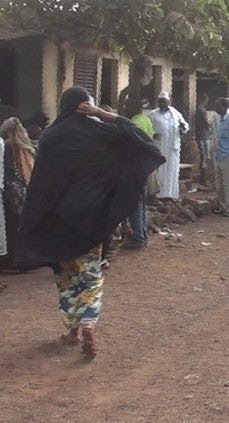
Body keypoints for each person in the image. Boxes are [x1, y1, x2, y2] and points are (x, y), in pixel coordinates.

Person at [16, 86, 164, 358]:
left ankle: (72, 331)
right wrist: (105, 116)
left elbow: (40, 183)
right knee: (91, 274)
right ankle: (89, 323)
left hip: (57, 221)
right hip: (91, 221)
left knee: (66, 277)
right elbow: (144, 142)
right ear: (86, 106)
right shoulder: (100, 133)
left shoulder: (50, 137)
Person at [0, 118, 36, 270]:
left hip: (12, 191)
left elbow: (7, 170)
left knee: (12, 227)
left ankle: (15, 260)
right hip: (26, 190)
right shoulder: (27, 145)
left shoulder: (7, 146)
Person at [123, 97, 155, 249]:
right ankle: (142, 233)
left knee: (134, 203)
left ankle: (138, 237)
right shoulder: (146, 120)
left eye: (126, 106)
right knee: (141, 202)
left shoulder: (134, 123)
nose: (124, 109)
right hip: (143, 166)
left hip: (134, 167)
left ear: (133, 108)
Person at [149, 92, 189, 200]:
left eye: (164, 101)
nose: (162, 103)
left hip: (172, 148)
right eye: (160, 101)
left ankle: (171, 194)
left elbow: (185, 126)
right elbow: (147, 128)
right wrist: (152, 134)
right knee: (160, 170)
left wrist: (182, 128)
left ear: (169, 102)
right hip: (159, 146)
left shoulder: (175, 113)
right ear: (158, 102)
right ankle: (160, 194)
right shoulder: (153, 114)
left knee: (172, 170)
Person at [194, 93, 211, 185]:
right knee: (205, 156)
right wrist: (211, 126)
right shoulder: (201, 110)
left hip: (200, 135)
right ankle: (203, 179)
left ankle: (203, 179)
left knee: (204, 156)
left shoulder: (198, 110)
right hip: (203, 136)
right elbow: (205, 121)